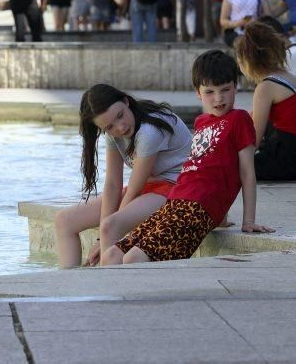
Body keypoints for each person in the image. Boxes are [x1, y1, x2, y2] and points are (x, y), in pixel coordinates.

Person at [103, 51, 274, 265]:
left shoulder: (239, 120)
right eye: (210, 92)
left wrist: (248, 220)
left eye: (225, 90)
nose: (219, 98)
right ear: (198, 93)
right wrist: (221, 218)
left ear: (236, 87)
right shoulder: (202, 121)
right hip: (175, 201)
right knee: (112, 255)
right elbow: (208, 165)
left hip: (198, 209)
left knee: (134, 258)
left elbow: (246, 172)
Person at [53, 84, 194, 269]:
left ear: (126, 102)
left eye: (120, 115)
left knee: (110, 226)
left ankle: (108, 290)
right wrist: (100, 236)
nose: (120, 127)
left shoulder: (149, 132)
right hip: (148, 188)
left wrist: (105, 234)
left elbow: (133, 190)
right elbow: (112, 184)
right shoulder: (114, 134)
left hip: (175, 187)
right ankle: (69, 288)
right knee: (64, 221)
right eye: (109, 126)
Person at [236, 23, 296, 181]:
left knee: (224, 168)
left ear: (247, 60)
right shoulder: (291, 79)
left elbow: (254, 141)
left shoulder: (266, 87)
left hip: (283, 163)